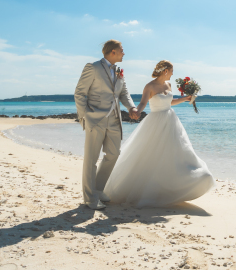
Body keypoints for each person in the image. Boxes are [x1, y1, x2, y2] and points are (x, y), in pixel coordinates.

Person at [103, 60, 214, 207]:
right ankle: (149, 190)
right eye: (172, 70)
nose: (173, 73)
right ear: (165, 71)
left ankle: (178, 185)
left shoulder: (168, 85)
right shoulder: (150, 86)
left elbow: (169, 102)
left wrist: (184, 99)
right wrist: (136, 111)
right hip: (155, 123)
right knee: (151, 156)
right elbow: (143, 103)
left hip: (171, 122)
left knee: (176, 155)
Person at [74, 40, 139, 210]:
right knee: (91, 159)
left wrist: (131, 106)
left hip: (115, 119)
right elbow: (80, 93)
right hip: (95, 119)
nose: (124, 53)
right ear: (112, 52)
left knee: (113, 154)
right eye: (121, 51)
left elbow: (124, 92)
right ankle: (90, 199)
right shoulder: (93, 67)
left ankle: (97, 190)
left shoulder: (119, 71)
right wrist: (85, 116)